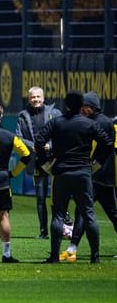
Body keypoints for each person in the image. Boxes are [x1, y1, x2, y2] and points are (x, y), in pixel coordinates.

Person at [35, 91, 112, 264]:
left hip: (61, 172)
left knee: (58, 214)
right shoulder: (89, 124)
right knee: (88, 214)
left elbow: (39, 141)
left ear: (66, 105)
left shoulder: (56, 122)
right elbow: (107, 143)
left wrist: (46, 164)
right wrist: (96, 164)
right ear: (81, 105)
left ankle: (54, 257)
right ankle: (95, 257)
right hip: (84, 173)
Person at [60, 91, 117, 262]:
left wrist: (91, 167)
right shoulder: (100, 121)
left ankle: (73, 249)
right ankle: (72, 249)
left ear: (92, 107)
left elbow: (103, 149)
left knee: (85, 211)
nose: (81, 109)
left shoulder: (99, 123)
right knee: (100, 212)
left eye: (84, 106)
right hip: (100, 176)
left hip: (97, 175)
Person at [0, 103, 31, 263]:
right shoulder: (9, 136)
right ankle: (6, 254)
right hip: (3, 178)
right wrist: (14, 172)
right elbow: (26, 154)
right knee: (3, 216)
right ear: (1, 116)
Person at [16, 86, 61, 239]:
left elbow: (63, 133)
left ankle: (63, 227)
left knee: (60, 197)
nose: (35, 100)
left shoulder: (54, 113)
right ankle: (43, 232)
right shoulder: (23, 115)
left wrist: (52, 145)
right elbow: (18, 137)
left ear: (43, 97)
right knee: (40, 198)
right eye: (32, 97)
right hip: (37, 163)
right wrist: (32, 145)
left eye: (38, 97)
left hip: (56, 161)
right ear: (28, 99)